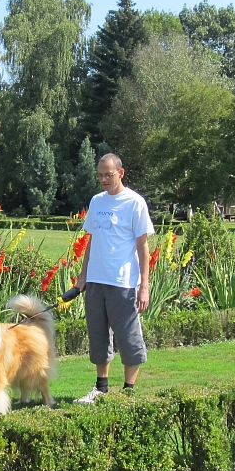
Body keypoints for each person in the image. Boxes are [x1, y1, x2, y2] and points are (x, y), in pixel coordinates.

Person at [73, 153, 155, 403]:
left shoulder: (135, 203)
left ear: (121, 173)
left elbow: (143, 247)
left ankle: (128, 392)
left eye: (108, 175)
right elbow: (92, 240)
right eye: (100, 175)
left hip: (123, 283)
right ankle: (101, 389)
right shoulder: (97, 202)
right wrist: (83, 276)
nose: (104, 180)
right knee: (98, 337)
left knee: (128, 339)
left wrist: (144, 286)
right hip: (96, 281)